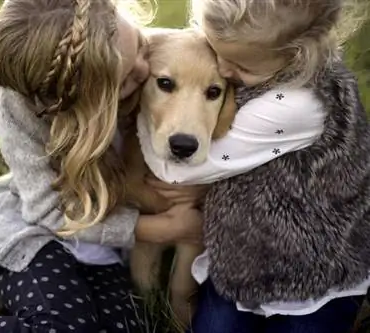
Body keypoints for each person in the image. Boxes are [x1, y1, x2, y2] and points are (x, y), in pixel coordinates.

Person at [0, 0, 204, 332]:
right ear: (76, 102)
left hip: (106, 251)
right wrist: (165, 229)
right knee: (63, 327)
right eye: (124, 81)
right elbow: (49, 213)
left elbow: (235, 56)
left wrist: (201, 179)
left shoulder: (141, 48)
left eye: (140, 44)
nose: (145, 68)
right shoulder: (21, 108)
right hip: (35, 236)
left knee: (130, 327)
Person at [142, 0, 370, 332]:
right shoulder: (262, 51)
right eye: (214, 48)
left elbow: (178, 171)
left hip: (314, 275)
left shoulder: (297, 105)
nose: (221, 67)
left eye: (240, 65)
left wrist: (147, 127)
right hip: (240, 256)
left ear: (295, 56)